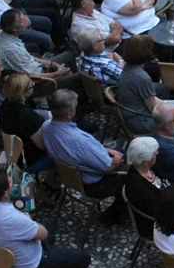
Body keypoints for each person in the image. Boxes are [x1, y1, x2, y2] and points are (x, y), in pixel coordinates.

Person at [41, 90, 128, 221]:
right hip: (95, 184)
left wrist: (101, 150)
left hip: (71, 177)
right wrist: (117, 158)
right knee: (135, 175)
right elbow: (108, 167)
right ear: (69, 114)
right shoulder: (79, 140)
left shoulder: (46, 126)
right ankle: (112, 216)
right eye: (75, 106)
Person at [114, 35, 174, 135]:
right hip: (142, 121)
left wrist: (169, 105)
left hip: (132, 113)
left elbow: (151, 98)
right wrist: (172, 108)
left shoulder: (128, 68)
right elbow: (154, 110)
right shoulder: (142, 78)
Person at [0, 9, 82, 91]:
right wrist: (58, 73)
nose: (27, 20)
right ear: (14, 29)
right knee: (80, 77)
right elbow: (32, 76)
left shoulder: (0, 34)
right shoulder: (12, 50)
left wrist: (53, 64)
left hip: (38, 68)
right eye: (22, 21)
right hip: (38, 82)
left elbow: (29, 57)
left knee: (70, 55)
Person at [0, 72, 52, 172]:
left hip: (16, 154)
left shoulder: (5, 105)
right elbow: (42, 145)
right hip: (33, 160)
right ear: (23, 93)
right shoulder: (27, 117)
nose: (34, 84)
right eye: (31, 85)